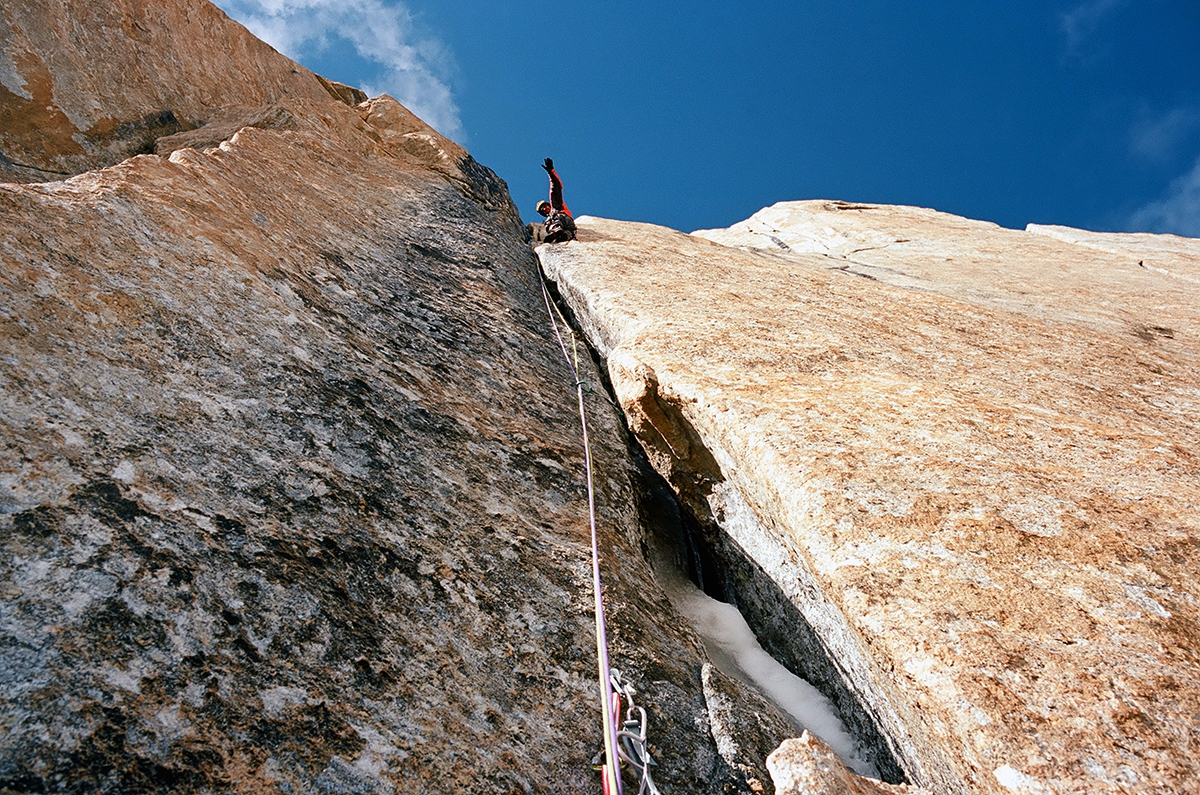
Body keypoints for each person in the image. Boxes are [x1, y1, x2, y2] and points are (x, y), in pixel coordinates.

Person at [536, 157, 577, 243]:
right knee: (569, 232)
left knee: (550, 223)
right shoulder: (554, 209)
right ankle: (566, 235)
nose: (544, 209)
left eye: (544, 206)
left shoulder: (556, 205)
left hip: (561, 218)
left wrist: (551, 172)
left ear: (549, 204)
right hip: (569, 224)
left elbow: (555, 187)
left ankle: (556, 230)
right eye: (542, 210)